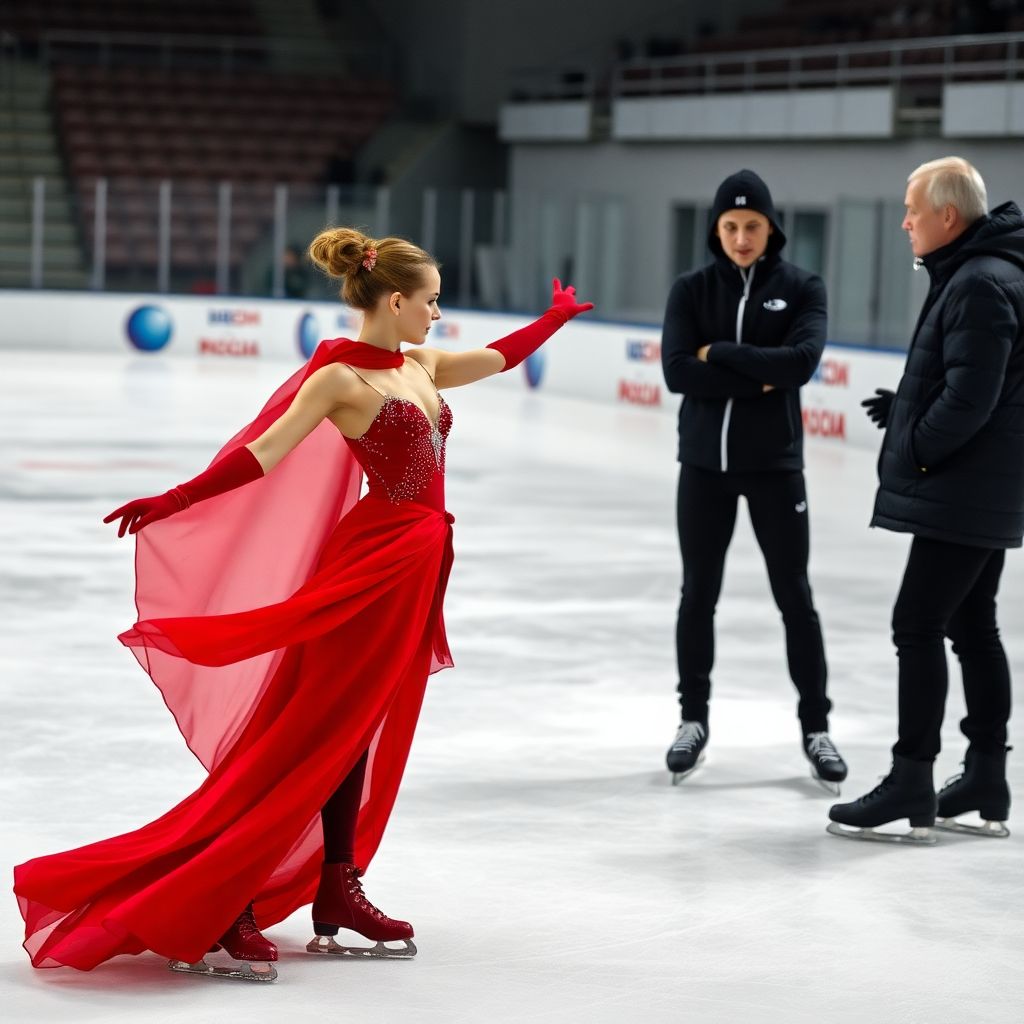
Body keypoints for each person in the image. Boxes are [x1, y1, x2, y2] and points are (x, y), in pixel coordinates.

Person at [13, 228, 592, 981]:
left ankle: (335, 886)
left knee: (352, 731)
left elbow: (501, 357)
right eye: (432, 301)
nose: (438, 315)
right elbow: (262, 452)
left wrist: (554, 320)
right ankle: (227, 896)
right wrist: (177, 498)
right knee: (311, 734)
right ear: (394, 300)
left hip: (416, 567)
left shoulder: (423, 367)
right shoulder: (340, 380)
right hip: (371, 568)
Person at [829, 157, 1024, 844]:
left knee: (917, 625)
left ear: (948, 215)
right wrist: (907, 409)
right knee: (973, 628)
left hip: (966, 490)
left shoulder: (979, 281)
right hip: (985, 486)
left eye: (913, 209)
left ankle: (912, 776)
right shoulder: (984, 272)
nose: (905, 221)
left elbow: (972, 398)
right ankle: (985, 776)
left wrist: (916, 446)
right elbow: (977, 383)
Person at [660, 169, 847, 792]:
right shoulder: (691, 290)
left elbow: (802, 363)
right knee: (698, 596)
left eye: (753, 226)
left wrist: (723, 354)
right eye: (731, 226)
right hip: (704, 469)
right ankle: (692, 720)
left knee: (795, 597)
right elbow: (679, 373)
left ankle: (817, 729)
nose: (742, 237)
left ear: (772, 229)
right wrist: (761, 374)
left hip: (775, 468)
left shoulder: (803, 287)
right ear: (716, 230)